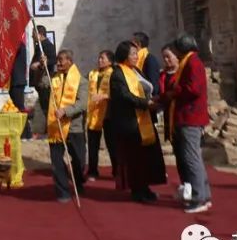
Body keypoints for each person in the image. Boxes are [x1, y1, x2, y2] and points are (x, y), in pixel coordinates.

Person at [157, 34, 213, 214]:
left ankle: (199, 198)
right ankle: (203, 194)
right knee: (192, 158)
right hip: (185, 117)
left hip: (190, 117)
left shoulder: (192, 62)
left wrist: (174, 92)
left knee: (191, 159)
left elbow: (193, 89)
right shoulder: (189, 62)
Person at [107, 40, 166, 204]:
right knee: (135, 158)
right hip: (130, 123)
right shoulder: (118, 73)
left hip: (143, 119)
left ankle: (145, 187)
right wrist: (145, 103)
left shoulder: (135, 70)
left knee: (145, 158)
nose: (135, 56)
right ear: (124, 55)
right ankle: (137, 191)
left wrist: (153, 100)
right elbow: (124, 95)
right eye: (132, 53)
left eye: (136, 53)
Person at [40, 50, 87, 202]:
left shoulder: (81, 81)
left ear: (70, 61)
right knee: (57, 161)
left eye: (61, 60)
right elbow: (42, 84)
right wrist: (43, 67)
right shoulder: (54, 78)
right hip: (56, 127)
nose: (58, 63)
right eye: (57, 60)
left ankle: (78, 182)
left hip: (74, 127)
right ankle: (62, 191)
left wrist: (66, 111)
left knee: (79, 160)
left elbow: (82, 103)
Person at [86, 50, 113, 181]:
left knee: (112, 144)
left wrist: (104, 96)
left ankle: (116, 170)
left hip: (108, 113)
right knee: (92, 145)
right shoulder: (92, 74)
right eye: (99, 58)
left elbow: (118, 92)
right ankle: (92, 170)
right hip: (93, 113)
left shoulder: (113, 74)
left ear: (110, 61)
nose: (99, 60)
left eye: (103, 58)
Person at [8, 37, 33, 139]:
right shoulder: (18, 45)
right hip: (15, 81)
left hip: (18, 81)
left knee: (20, 108)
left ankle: (26, 133)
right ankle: (24, 132)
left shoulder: (19, 45)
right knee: (17, 108)